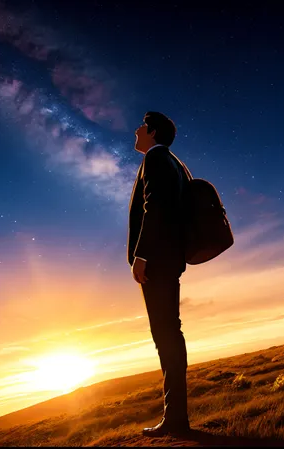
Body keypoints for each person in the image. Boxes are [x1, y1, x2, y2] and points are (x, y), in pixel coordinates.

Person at [128, 111, 192, 435]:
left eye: (141, 125)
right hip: (169, 261)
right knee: (170, 334)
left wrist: (141, 256)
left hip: (157, 265)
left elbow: (154, 209)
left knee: (165, 337)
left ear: (152, 132)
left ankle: (175, 420)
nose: (136, 130)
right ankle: (176, 416)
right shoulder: (175, 163)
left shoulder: (155, 160)